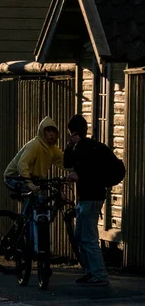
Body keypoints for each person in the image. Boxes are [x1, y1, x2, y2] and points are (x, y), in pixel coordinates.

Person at [64, 114, 109, 287]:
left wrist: (79, 175)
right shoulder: (84, 146)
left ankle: (99, 274)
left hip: (91, 198)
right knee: (80, 237)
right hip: (88, 199)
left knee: (88, 238)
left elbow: (74, 166)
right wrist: (70, 145)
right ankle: (90, 272)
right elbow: (69, 162)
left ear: (73, 131)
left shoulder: (85, 148)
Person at [4, 115, 65, 193]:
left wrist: (78, 169)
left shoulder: (52, 148)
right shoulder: (35, 145)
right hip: (14, 177)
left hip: (31, 178)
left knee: (41, 197)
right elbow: (22, 164)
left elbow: (64, 161)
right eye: (48, 131)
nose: (51, 134)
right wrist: (30, 184)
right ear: (43, 132)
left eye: (53, 131)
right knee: (34, 196)